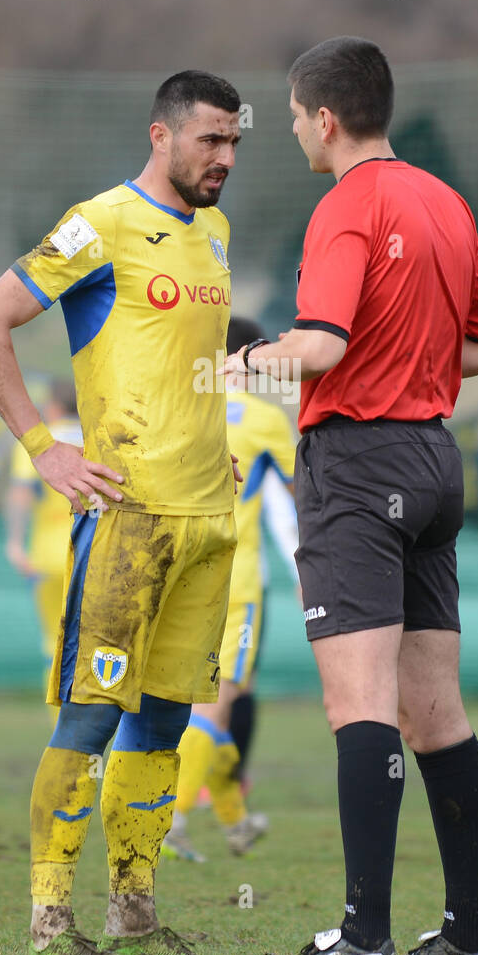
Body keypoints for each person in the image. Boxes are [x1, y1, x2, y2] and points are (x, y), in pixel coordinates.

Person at [223, 36, 478, 955]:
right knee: (436, 713)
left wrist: (239, 362)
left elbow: (318, 344)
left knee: (360, 707)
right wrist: (417, 362)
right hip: (434, 457)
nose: (291, 130)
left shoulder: (346, 205)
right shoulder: (444, 200)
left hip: (357, 462)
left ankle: (360, 939)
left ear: (326, 118)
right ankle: (469, 938)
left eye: (292, 114)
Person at [0, 70, 243, 955]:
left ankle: (134, 916)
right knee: (89, 720)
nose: (225, 159)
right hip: (127, 518)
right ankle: (49, 929)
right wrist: (45, 449)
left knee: (163, 725)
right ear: (159, 136)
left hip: (208, 517)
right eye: (210, 141)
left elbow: (188, 365)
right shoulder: (100, 223)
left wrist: (214, 439)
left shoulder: (218, 233)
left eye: (235, 143)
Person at [165, 315, 298, 861]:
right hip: (236, 582)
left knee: (217, 698)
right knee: (216, 708)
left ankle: (235, 821)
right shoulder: (264, 419)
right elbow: (305, 497)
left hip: (177, 572)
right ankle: (168, 821)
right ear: (249, 354)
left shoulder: (177, 407)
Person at [5, 380, 82, 725]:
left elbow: (21, 493)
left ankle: (63, 735)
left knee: (55, 644)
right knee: (99, 644)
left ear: (51, 406)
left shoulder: (38, 441)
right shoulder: (103, 438)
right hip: (95, 554)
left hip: (48, 558)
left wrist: (15, 543)